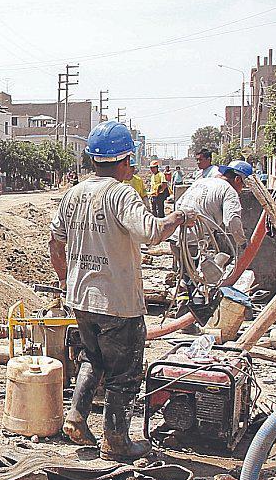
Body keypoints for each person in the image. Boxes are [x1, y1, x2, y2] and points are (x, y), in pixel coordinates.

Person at [50, 121, 185, 460]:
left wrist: (66, 279)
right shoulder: (121, 194)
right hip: (118, 305)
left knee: (93, 358)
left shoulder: (73, 194)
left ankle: (77, 417)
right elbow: (151, 232)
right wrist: (177, 218)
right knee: (124, 375)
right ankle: (116, 440)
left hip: (81, 299)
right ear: (125, 159)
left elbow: (56, 241)